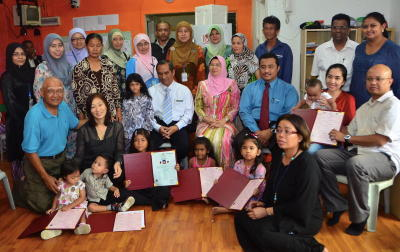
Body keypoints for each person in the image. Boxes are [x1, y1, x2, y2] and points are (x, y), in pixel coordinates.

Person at [316, 64, 400, 236]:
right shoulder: (365, 107)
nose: (373, 82)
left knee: (356, 163)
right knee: (319, 156)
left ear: (390, 81)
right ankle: (338, 205)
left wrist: (345, 137)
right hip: (358, 154)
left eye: (378, 79)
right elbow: (348, 131)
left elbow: (379, 139)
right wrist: (329, 129)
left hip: (385, 159)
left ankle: (359, 218)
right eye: (369, 79)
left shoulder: (394, 106)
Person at [235, 114, 327, 252]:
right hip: (280, 208)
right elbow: (272, 184)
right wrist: (263, 202)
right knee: (242, 217)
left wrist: (267, 211)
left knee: (264, 233)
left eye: (287, 131)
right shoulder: (280, 154)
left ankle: (314, 249)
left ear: (300, 137)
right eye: (278, 130)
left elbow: (302, 205)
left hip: (302, 216)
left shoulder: (307, 164)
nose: (280, 135)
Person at [21, 77, 86, 213]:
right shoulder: (34, 116)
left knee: (68, 199)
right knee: (43, 207)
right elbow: (30, 152)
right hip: (39, 162)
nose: (56, 95)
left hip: (60, 160)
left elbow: (76, 124)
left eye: (59, 91)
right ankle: (23, 186)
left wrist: (96, 118)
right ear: (42, 93)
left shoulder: (62, 106)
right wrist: (45, 177)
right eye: (51, 91)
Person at [239, 53, 298, 147]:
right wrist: (257, 131)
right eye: (263, 67)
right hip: (253, 125)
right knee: (238, 142)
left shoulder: (289, 90)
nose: (266, 70)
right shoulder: (250, 88)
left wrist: (271, 131)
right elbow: (244, 112)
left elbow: (288, 115)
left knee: (282, 147)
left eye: (270, 67)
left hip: (278, 127)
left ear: (278, 68)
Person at [33, 33, 77, 159]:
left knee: (71, 149)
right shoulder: (42, 68)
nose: (58, 49)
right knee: (56, 150)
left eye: (60, 45)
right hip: (52, 116)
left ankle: (69, 177)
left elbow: (73, 91)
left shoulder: (68, 66)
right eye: (53, 46)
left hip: (70, 114)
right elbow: (39, 94)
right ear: (47, 48)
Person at [195, 56, 240, 168]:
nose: (214, 67)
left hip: (225, 122)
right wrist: (206, 118)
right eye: (212, 64)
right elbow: (198, 106)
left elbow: (235, 106)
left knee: (224, 140)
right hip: (206, 123)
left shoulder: (231, 84)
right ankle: (206, 173)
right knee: (202, 138)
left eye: (217, 65)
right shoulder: (203, 84)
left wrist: (223, 121)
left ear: (223, 67)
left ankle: (225, 173)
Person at [74, 93, 124, 187]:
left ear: (106, 105)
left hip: (111, 174)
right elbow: (78, 157)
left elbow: (120, 150)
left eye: (100, 105)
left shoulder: (117, 127)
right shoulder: (84, 130)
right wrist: (69, 174)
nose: (98, 110)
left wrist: (118, 162)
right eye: (93, 107)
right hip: (91, 178)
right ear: (89, 110)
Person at [0, 43, 35, 181]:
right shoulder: (7, 76)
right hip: (17, 122)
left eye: (22, 54)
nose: (20, 57)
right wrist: (27, 117)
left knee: (32, 154)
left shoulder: (30, 72)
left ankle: (32, 186)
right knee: (19, 156)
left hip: (33, 120)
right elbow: (10, 103)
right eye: (16, 54)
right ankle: (19, 190)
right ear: (10, 56)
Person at [350, 12, 400, 107]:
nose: (368, 29)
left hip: (381, 105)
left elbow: (398, 83)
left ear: (383, 26)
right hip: (357, 102)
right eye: (365, 27)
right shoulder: (359, 48)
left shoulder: (394, 50)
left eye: (373, 26)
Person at [149, 60, 194, 163]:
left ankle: (177, 168)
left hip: (177, 125)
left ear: (173, 72)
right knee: (152, 147)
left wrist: (176, 127)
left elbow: (189, 114)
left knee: (183, 147)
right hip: (159, 125)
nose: (163, 77)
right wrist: (158, 127)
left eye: (166, 73)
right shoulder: (151, 91)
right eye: (160, 74)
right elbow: (148, 115)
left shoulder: (184, 90)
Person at [212, 133, 266, 215]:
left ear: (258, 152)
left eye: (251, 148)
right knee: (222, 191)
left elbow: (259, 188)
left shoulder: (260, 168)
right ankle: (230, 207)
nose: (248, 151)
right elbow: (233, 179)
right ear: (241, 151)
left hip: (252, 194)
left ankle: (227, 210)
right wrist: (221, 182)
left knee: (249, 205)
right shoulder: (238, 163)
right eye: (244, 148)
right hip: (238, 190)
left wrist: (256, 191)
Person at [307, 64, 356, 154]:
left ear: (343, 82)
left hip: (335, 140)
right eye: (329, 77)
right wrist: (310, 107)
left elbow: (351, 126)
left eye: (337, 78)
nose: (332, 81)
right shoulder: (318, 93)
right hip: (315, 136)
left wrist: (330, 109)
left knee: (311, 151)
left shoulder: (348, 99)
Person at [72, 33, 122, 121]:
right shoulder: (79, 68)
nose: (95, 49)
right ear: (86, 46)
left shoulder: (108, 64)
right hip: (90, 114)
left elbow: (115, 89)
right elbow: (77, 95)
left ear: (102, 46)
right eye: (91, 45)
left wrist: (118, 110)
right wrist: (81, 116)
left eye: (98, 45)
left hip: (110, 112)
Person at [40, 161, 90, 240]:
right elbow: (57, 196)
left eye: (78, 176)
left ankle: (82, 226)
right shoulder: (61, 184)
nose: (76, 179)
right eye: (73, 178)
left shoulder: (80, 184)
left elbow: (82, 197)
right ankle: (55, 230)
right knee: (59, 216)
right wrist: (53, 208)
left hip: (76, 205)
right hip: (63, 206)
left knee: (82, 212)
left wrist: (70, 206)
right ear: (64, 176)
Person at [125, 128, 171, 211]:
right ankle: (154, 202)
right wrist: (126, 183)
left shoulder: (155, 155)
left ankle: (152, 201)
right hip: (138, 190)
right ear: (133, 143)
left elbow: (165, 171)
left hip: (152, 187)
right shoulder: (129, 158)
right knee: (124, 193)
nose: (139, 143)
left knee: (164, 190)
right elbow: (126, 179)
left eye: (143, 140)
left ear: (148, 141)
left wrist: (174, 168)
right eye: (136, 140)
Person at [311, 13, 358, 91]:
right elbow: (314, 76)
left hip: (346, 96)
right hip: (324, 96)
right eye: (334, 27)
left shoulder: (357, 49)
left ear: (349, 30)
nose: (338, 30)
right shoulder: (320, 49)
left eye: (342, 27)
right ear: (331, 29)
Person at [167, 21, 206, 94]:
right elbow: (168, 71)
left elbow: (201, 72)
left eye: (186, 31)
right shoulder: (171, 50)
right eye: (180, 31)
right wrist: (175, 89)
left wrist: (197, 90)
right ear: (176, 34)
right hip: (176, 91)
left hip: (194, 91)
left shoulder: (197, 49)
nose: (183, 34)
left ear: (190, 33)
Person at [255, 16, 293, 83]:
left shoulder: (285, 49)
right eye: (266, 28)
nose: (268, 31)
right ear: (263, 30)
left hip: (279, 89)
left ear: (277, 31)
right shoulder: (259, 49)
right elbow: (257, 71)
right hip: (262, 89)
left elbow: (287, 74)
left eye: (271, 28)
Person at [122, 73, 155, 150]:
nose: (134, 87)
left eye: (137, 84)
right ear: (128, 86)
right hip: (128, 133)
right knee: (129, 152)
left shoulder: (146, 99)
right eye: (132, 85)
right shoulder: (126, 100)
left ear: (141, 85)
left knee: (142, 152)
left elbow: (150, 115)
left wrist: (147, 131)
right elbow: (124, 116)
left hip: (143, 132)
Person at [103, 29, 130, 98]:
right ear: (110, 41)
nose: (118, 42)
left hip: (126, 94)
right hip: (113, 96)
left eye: (121, 39)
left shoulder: (126, 56)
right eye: (115, 39)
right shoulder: (105, 57)